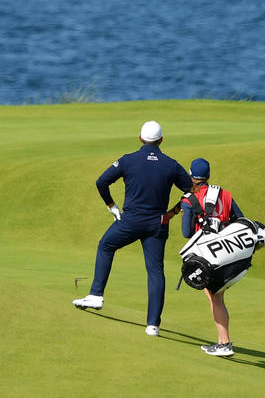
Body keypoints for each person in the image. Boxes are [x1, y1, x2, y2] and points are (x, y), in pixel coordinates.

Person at [73, 120, 194, 335]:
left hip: (130, 221)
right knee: (155, 271)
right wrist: (173, 213)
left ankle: (96, 295)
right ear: (161, 140)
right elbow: (193, 192)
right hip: (157, 224)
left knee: (106, 246)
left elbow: (101, 182)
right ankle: (153, 325)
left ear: (140, 138)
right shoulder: (171, 164)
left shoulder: (128, 161)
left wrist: (111, 206)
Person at [179, 158, 247, 358]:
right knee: (216, 297)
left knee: (216, 298)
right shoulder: (225, 195)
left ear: (192, 176)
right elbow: (241, 220)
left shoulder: (189, 198)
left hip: (207, 256)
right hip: (226, 253)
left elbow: (186, 232)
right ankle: (221, 341)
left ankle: (224, 343)